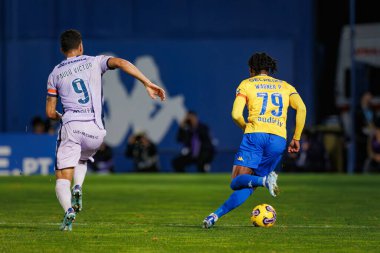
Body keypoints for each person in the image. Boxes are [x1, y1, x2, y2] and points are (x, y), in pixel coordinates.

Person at [46, 29, 165, 231]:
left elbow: (49, 113)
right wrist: (147, 82)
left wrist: (61, 116)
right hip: (96, 132)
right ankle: (78, 187)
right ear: (81, 46)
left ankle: (68, 210)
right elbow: (121, 63)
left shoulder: (55, 73)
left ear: (61, 49)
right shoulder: (94, 61)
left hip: (72, 127)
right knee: (82, 159)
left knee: (61, 178)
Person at [202, 52, 306, 228]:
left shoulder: (246, 84)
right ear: (269, 68)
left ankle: (264, 181)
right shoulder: (285, 86)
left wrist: (245, 126)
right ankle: (215, 216)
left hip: (255, 135)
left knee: (236, 182)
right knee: (249, 185)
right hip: (278, 139)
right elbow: (302, 108)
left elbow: (235, 114)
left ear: (251, 69)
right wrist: (296, 137)